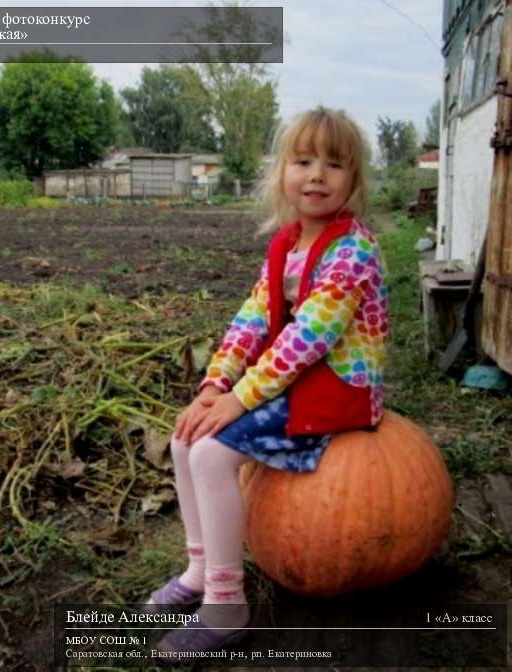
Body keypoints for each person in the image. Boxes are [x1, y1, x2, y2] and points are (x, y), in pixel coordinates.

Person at [143, 107, 388, 656]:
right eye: (303, 161)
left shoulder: (352, 250)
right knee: (187, 436)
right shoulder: (287, 245)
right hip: (296, 379)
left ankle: (227, 607)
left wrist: (239, 399)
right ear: (282, 173)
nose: (317, 174)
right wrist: (215, 384)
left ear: (355, 180)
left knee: (211, 455)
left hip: (337, 390)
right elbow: (253, 320)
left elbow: (311, 337)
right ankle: (201, 567)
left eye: (334, 164)